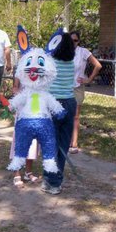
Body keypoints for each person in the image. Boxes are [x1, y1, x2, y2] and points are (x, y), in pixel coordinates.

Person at [42, 32, 77, 195]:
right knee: (62, 144)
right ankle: (53, 180)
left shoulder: (50, 62)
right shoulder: (71, 63)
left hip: (53, 104)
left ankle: (51, 182)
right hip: (69, 103)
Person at [69, 31, 102, 154]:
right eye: (71, 40)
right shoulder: (63, 51)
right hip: (64, 87)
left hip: (77, 87)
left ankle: (74, 143)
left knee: (75, 116)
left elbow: (98, 65)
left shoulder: (83, 52)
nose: (73, 42)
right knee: (64, 114)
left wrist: (89, 79)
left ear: (79, 41)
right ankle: (65, 140)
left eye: (75, 40)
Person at [10, 78, 40, 188]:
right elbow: (15, 88)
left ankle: (28, 172)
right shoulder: (22, 68)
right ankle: (16, 172)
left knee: (33, 142)